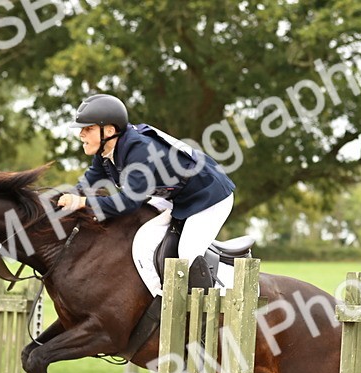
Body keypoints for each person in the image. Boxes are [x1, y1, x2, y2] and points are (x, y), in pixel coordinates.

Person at [55, 94, 235, 288]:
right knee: (137, 227)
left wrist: (81, 203)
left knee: (186, 254)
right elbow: (86, 186)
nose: (81, 134)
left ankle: (214, 304)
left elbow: (128, 203)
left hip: (210, 195)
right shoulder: (105, 152)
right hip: (177, 196)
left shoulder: (139, 150)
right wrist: (59, 202)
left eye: (88, 128)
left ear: (108, 130)